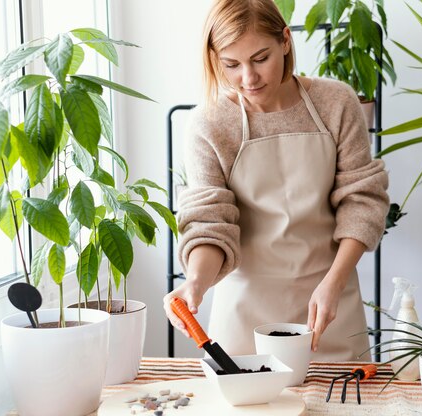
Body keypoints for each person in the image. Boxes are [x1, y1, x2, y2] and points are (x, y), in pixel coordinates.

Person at [163, 0, 389, 361]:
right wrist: (196, 281)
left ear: (285, 41)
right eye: (231, 65)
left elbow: (362, 201)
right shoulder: (209, 123)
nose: (248, 78)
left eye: (260, 58)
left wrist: (334, 282)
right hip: (244, 317)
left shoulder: (336, 102)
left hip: (330, 304)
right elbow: (210, 222)